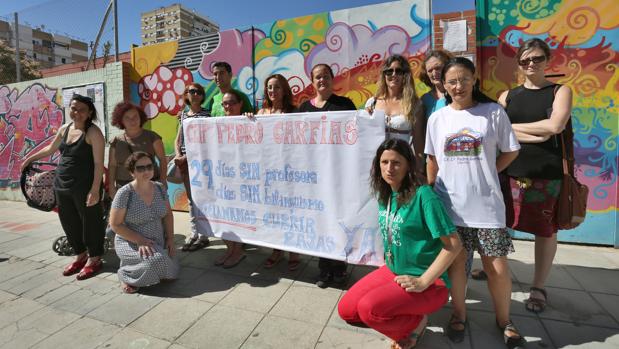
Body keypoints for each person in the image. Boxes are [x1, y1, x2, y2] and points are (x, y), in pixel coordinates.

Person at [424, 57, 525, 348]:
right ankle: (459, 314)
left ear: (474, 80)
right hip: (451, 208)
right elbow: (432, 160)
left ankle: (504, 320)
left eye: (464, 79)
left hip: (487, 208)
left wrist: (490, 170)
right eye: (452, 81)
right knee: (457, 267)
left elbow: (511, 151)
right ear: (444, 85)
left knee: (498, 269)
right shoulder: (438, 118)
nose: (458, 86)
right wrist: (431, 193)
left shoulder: (492, 113)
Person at [338, 138, 462, 349]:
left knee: (369, 309)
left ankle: (416, 323)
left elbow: (454, 244)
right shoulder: (385, 194)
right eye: (384, 162)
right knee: (347, 310)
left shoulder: (424, 195)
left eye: (396, 163)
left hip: (429, 282)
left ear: (408, 166)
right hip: (394, 271)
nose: (389, 168)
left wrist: (424, 281)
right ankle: (406, 317)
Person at [497, 38, 573, 313]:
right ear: (518, 63)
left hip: (546, 174)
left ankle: (538, 286)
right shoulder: (507, 96)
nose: (531, 64)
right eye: (525, 60)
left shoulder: (559, 91)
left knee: (545, 231)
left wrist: (511, 130)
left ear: (547, 60)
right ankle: (497, 269)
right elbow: (496, 132)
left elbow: (555, 126)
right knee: (500, 225)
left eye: (537, 58)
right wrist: (535, 131)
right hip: (509, 171)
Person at [21, 94, 106, 280]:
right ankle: (80, 255)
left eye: (82, 109)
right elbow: (50, 149)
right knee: (69, 222)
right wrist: (30, 158)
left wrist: (94, 190)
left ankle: (95, 258)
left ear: (89, 112)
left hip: (85, 186)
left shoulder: (93, 133)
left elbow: (99, 164)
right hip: (62, 185)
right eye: (74, 108)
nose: (77, 112)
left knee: (90, 222)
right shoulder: (65, 129)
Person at [298, 63, 356, 288]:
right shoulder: (303, 108)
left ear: (333, 79)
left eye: (325, 76)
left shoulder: (345, 104)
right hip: (313, 177)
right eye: (317, 77)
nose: (322, 80)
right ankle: (323, 269)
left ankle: (339, 268)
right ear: (312, 82)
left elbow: (356, 135)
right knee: (320, 223)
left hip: (338, 175)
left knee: (338, 221)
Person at [109, 151, 179, 293]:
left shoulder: (159, 188)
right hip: (131, 241)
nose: (146, 171)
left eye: (149, 166)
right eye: (140, 168)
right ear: (132, 172)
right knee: (155, 262)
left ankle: (138, 267)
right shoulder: (124, 193)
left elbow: (167, 215)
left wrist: (171, 239)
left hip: (156, 240)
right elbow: (115, 224)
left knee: (171, 275)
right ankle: (126, 275)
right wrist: (139, 240)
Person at [253, 74, 302, 271]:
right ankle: (276, 250)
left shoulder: (294, 112)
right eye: (270, 88)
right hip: (267, 172)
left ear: (285, 90)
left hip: (288, 171)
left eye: (277, 87)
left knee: (290, 212)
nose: (273, 91)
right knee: (272, 213)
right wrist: (249, 120)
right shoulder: (261, 112)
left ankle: (294, 252)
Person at [365, 55, 425, 177]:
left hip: (401, 164)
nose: (394, 74)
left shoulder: (414, 104)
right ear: (384, 75)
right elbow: (364, 135)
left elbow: (418, 140)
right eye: (389, 71)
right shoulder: (372, 102)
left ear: (405, 75)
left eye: (398, 71)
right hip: (377, 164)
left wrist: (419, 168)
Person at [212, 90, 249, 268]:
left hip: (241, 178)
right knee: (224, 215)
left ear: (240, 103)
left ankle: (238, 251)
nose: (228, 106)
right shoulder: (218, 123)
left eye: (232, 102)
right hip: (223, 177)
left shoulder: (248, 121)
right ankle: (230, 249)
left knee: (238, 215)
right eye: (225, 103)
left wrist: (249, 118)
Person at [174, 83, 212, 252]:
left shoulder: (208, 114)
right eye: (191, 91)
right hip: (184, 162)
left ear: (202, 95)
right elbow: (178, 138)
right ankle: (194, 233)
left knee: (202, 198)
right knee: (191, 199)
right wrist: (178, 155)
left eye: (198, 91)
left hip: (201, 162)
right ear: (186, 95)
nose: (194, 94)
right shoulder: (183, 115)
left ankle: (204, 236)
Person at [108, 102, 167, 198]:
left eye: (135, 116)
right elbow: (112, 165)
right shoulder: (116, 141)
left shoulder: (152, 137)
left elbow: (163, 160)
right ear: (121, 121)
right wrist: (111, 186)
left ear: (141, 118)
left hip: (149, 185)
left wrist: (163, 180)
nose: (132, 120)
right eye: (127, 118)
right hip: (124, 187)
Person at [419, 49, 453, 119]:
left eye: (438, 68)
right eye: (430, 70)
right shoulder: (424, 100)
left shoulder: (458, 93)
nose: (434, 73)